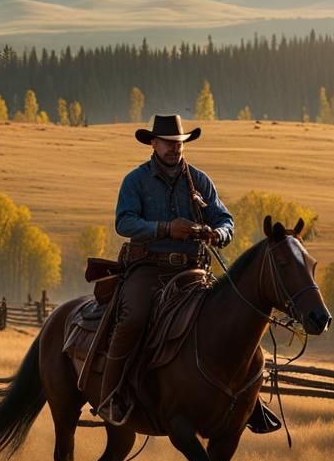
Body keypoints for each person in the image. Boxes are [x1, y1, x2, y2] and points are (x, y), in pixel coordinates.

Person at [99, 113, 234, 425]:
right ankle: (111, 395)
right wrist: (166, 228)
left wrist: (217, 234)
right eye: (169, 143)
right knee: (133, 319)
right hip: (149, 268)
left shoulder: (200, 181)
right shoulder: (136, 180)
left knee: (227, 317)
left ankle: (242, 396)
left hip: (193, 271)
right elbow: (124, 222)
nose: (175, 148)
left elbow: (225, 220)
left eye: (179, 143)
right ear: (153, 144)